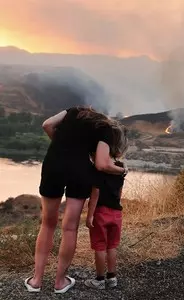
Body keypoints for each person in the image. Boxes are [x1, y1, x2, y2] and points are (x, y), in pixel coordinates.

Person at [24, 107, 128, 294]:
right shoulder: (106, 129)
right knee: (69, 227)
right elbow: (102, 164)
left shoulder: (73, 111)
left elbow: (47, 125)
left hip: (54, 164)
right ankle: (60, 282)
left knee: (47, 223)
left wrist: (63, 148)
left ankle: (36, 281)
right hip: (80, 171)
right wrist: (122, 170)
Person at [84, 155, 126, 290]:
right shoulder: (119, 167)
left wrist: (90, 215)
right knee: (112, 246)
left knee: (100, 247)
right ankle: (112, 277)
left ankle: (100, 280)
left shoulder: (99, 168)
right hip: (116, 213)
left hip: (101, 212)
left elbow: (95, 193)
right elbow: (119, 192)